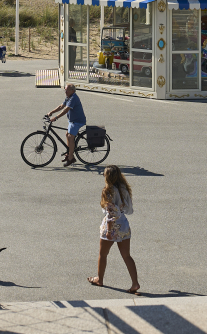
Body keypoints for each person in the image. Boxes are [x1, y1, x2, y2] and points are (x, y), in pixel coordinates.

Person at [87, 165, 140, 294]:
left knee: (103, 254)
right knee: (126, 255)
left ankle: (99, 279)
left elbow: (107, 211)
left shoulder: (107, 190)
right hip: (123, 224)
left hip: (110, 226)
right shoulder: (124, 189)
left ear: (107, 177)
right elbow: (130, 210)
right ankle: (135, 283)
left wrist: (110, 227)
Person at [46, 84, 86, 167]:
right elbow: (61, 106)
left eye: (67, 90)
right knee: (67, 135)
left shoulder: (73, 98)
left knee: (71, 137)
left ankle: (71, 158)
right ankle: (69, 153)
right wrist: (51, 112)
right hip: (72, 121)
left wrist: (56, 117)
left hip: (77, 121)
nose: (65, 91)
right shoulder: (69, 97)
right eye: (65, 90)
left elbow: (66, 109)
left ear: (72, 90)